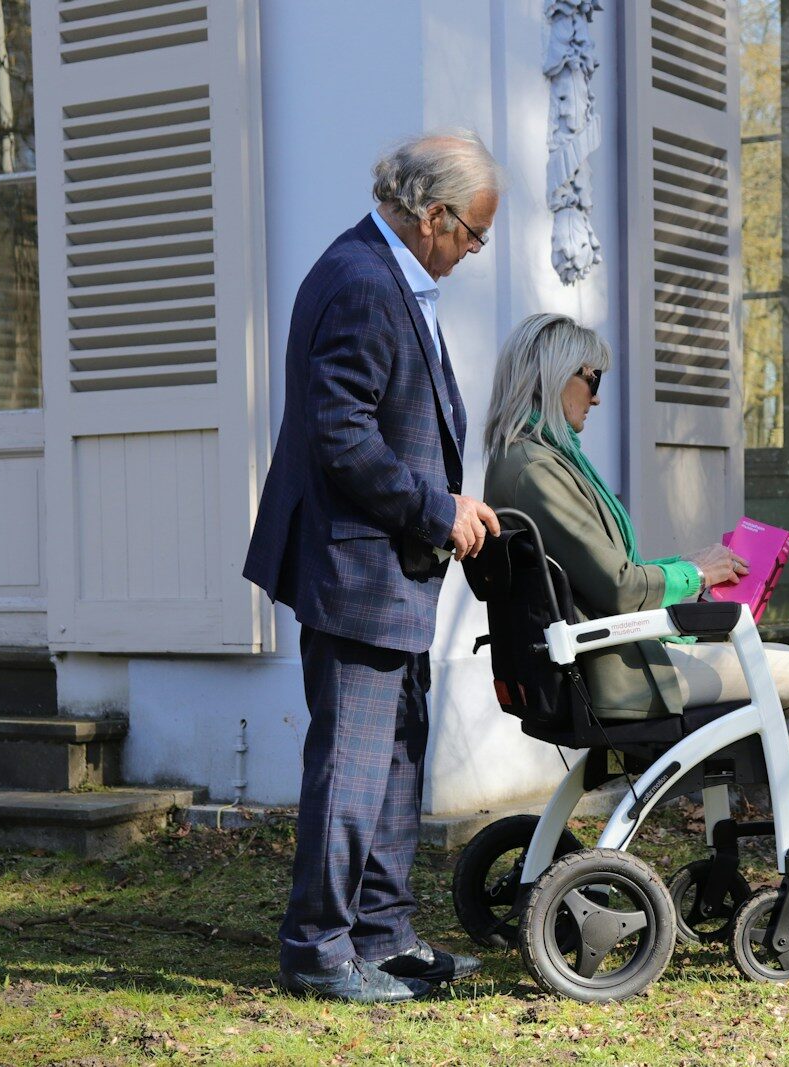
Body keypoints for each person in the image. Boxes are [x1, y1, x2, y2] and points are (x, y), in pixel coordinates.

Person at [481, 313, 789, 915]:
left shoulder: (525, 463)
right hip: (621, 675)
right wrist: (695, 573)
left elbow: (602, 578)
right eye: (591, 378)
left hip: (605, 662)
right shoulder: (539, 470)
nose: (596, 397)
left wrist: (690, 568)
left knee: (786, 663)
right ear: (554, 374)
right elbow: (619, 588)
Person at [243, 130, 503, 1004]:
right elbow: (341, 434)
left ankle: (385, 936)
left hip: (388, 569)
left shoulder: (384, 271)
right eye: (473, 234)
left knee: (394, 761)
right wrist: (438, 509)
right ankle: (319, 950)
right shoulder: (360, 280)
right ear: (433, 216)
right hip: (357, 568)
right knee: (352, 770)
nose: (473, 251)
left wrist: (442, 506)